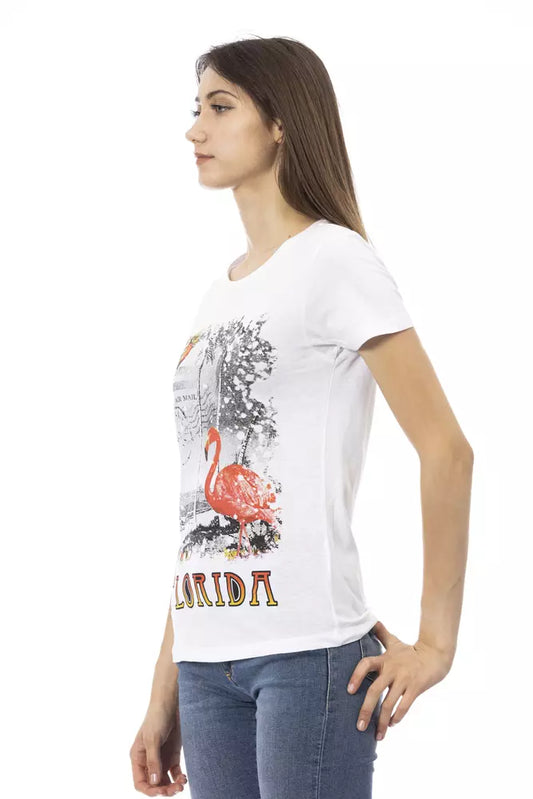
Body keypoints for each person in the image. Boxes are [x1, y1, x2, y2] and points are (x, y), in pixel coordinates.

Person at [129, 36, 473, 799]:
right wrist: (164, 687)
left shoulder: (334, 260)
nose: (195, 129)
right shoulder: (218, 296)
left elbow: (446, 448)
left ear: (280, 121)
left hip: (306, 654)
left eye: (221, 107)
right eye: (197, 108)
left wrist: (435, 645)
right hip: (206, 661)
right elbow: (196, 518)